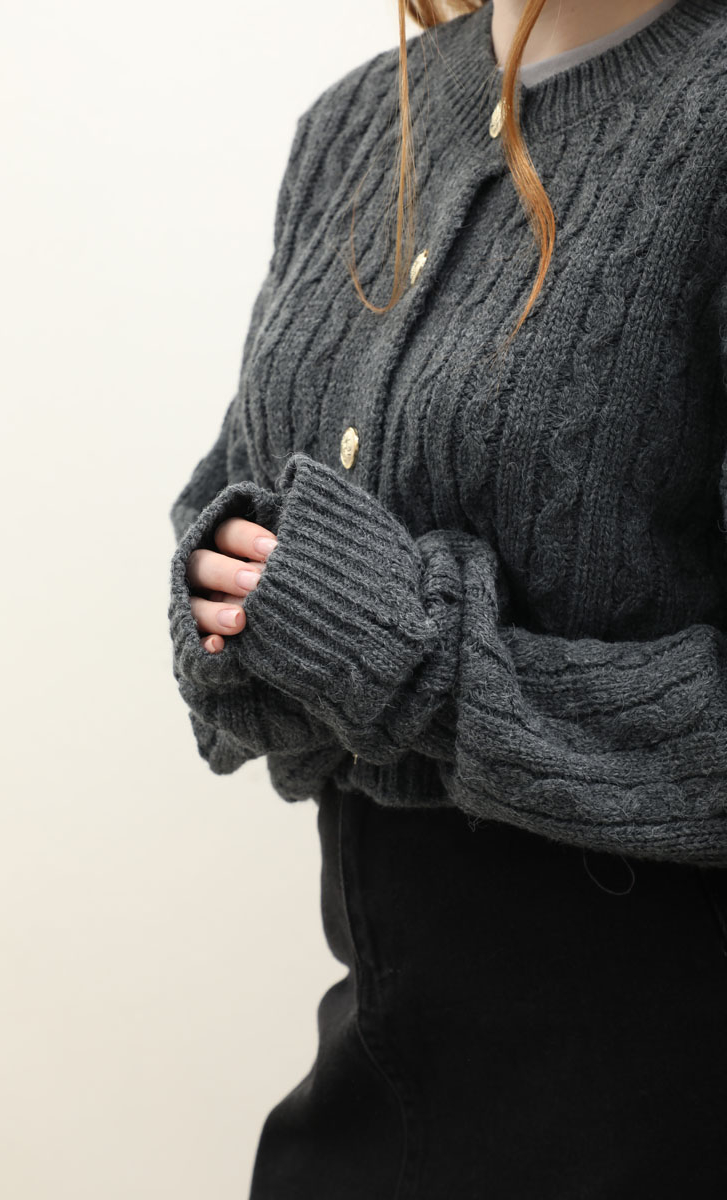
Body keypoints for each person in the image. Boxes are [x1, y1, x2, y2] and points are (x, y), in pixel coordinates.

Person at [167, 0, 727, 1194]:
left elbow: (380, 635)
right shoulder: (356, 121)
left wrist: (416, 662)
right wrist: (231, 601)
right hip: (379, 1040)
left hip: (658, 1084)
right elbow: (234, 499)